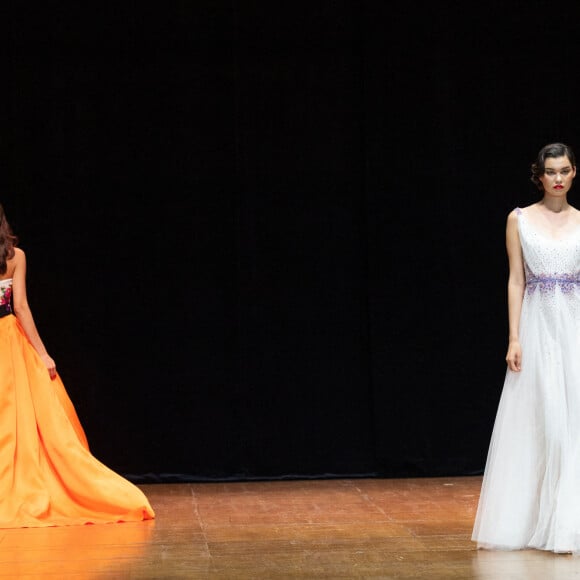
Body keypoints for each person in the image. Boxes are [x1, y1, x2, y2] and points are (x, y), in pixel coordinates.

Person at [0, 204, 155, 527]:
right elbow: (22, 308)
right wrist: (42, 354)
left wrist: (43, 355)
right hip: (9, 341)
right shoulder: (16, 256)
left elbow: (22, 306)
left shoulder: (17, 257)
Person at [472, 142, 580, 553]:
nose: (557, 178)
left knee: (573, 428)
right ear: (539, 175)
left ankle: (566, 524)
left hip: (574, 326)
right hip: (538, 328)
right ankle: (540, 520)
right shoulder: (519, 220)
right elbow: (516, 280)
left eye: (564, 170)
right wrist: (514, 337)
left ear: (573, 173)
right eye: (550, 171)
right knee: (546, 422)